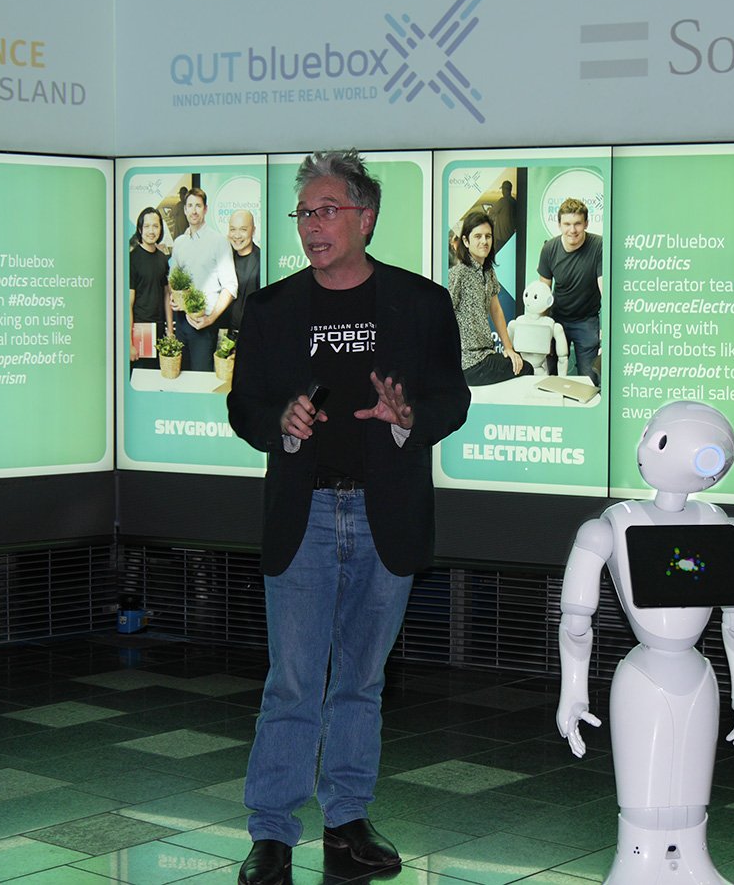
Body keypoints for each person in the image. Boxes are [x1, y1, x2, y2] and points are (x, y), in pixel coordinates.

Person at [227, 149, 469, 885]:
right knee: (293, 682)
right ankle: (272, 834)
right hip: (302, 512)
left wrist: (409, 418)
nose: (311, 225)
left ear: (366, 218)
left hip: (382, 513)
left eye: (326, 211)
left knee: (361, 681)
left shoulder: (421, 303)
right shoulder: (271, 309)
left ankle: (347, 823)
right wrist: (280, 422)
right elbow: (244, 406)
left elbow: (452, 398)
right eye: (304, 212)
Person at [448, 211, 531, 385]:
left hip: (485, 354)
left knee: (519, 362)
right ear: (465, 241)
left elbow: (496, 309)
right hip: (469, 362)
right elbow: (444, 314)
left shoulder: (488, 271)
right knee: (526, 369)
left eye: (488, 236)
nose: (484, 241)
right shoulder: (458, 273)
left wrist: (508, 348)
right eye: (478, 236)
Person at [169, 187, 237, 371]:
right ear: (185, 209)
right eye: (190, 206)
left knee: (202, 380)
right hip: (181, 322)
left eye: (198, 206)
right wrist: (174, 298)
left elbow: (231, 286)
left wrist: (210, 319)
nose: (194, 210)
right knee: (180, 377)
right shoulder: (179, 243)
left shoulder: (219, 241)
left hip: (204, 324)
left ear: (205, 209)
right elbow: (173, 279)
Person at [538, 197, 603, 384]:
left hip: (587, 320)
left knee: (590, 380)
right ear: (559, 225)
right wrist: (544, 331)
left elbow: (604, 288)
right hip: (557, 320)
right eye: (567, 224)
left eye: (577, 224)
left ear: (586, 224)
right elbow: (543, 294)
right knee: (550, 377)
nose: (572, 230)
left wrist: (606, 330)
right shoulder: (549, 249)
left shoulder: (599, 246)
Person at [129, 207, 173, 366]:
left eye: (155, 226)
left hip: (159, 328)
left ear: (160, 229)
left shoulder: (162, 259)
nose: (151, 231)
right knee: (141, 374)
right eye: (147, 226)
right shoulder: (132, 259)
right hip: (140, 330)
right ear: (140, 229)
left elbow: (166, 295)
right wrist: (129, 343)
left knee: (158, 374)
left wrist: (170, 331)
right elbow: (128, 304)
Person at [222, 209, 261, 336]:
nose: (237, 235)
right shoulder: (224, 259)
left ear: (253, 230)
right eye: (233, 229)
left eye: (243, 229)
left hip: (252, 335)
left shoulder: (262, 261)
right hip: (225, 335)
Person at [488, 179, 518, 252]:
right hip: (510, 237)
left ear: (505, 190)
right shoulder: (514, 202)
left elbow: (492, 212)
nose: (502, 191)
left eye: (503, 189)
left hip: (501, 238)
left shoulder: (503, 201)